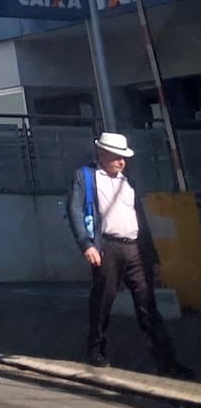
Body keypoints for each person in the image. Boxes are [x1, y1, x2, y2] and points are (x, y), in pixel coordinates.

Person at [67, 132, 193, 377]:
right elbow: (75, 211)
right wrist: (86, 245)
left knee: (148, 306)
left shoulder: (128, 181)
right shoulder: (85, 177)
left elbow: (140, 219)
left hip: (135, 248)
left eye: (124, 157)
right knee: (103, 301)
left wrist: (152, 256)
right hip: (108, 248)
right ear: (102, 154)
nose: (122, 162)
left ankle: (167, 361)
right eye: (117, 157)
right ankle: (96, 350)